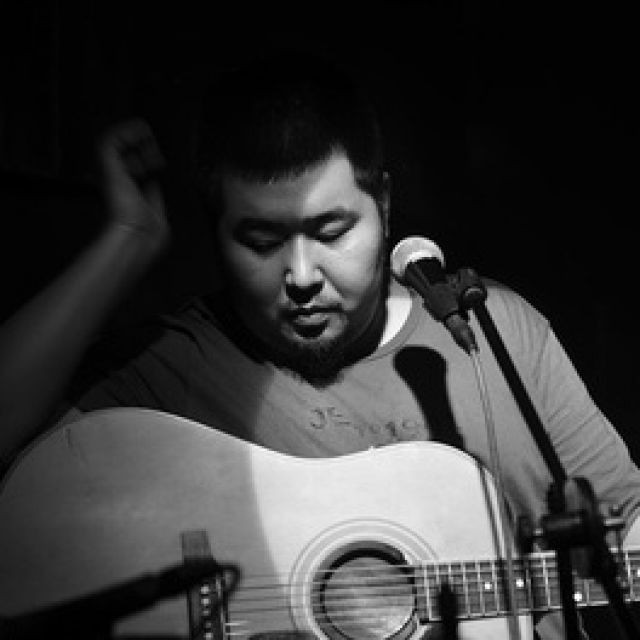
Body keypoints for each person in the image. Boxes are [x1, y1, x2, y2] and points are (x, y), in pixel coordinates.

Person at [0, 50, 639, 640]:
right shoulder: (174, 365)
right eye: (261, 241)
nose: (301, 275)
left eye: (331, 232)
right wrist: (127, 238)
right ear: (214, 232)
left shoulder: (494, 331)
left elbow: (627, 521)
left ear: (383, 203)